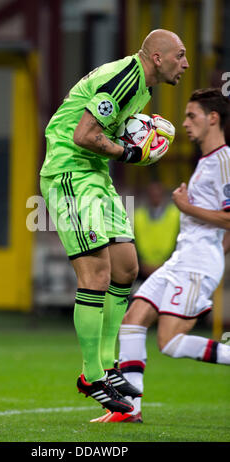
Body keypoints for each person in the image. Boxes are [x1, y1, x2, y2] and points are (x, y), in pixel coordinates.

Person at [40, 29, 189, 413]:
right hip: (70, 172)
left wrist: (135, 140)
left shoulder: (143, 88)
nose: (186, 64)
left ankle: (107, 365)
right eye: (180, 56)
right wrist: (130, 153)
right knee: (96, 276)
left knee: (126, 268)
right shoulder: (125, 79)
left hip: (95, 174)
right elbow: (84, 134)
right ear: (157, 58)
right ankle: (91, 376)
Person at [91, 88, 230, 423]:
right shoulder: (207, 162)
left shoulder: (225, 162)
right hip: (181, 260)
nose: (184, 123)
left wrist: (186, 206)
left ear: (213, 118)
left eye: (191, 116)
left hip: (196, 266)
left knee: (169, 342)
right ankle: (129, 410)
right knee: (132, 320)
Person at [134, 181, 179, 280]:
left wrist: (166, 264)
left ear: (163, 195)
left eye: (158, 195)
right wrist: (141, 265)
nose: (155, 197)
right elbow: (132, 243)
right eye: (152, 195)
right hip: (143, 269)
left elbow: (180, 241)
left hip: (169, 267)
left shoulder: (175, 214)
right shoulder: (138, 216)